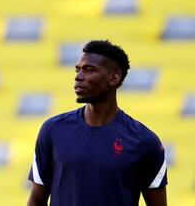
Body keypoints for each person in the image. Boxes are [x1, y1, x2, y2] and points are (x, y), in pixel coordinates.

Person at [27, 40, 167, 206]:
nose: (78, 77)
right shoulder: (53, 130)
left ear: (114, 78)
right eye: (78, 70)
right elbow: (36, 199)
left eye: (89, 70)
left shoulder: (145, 141)